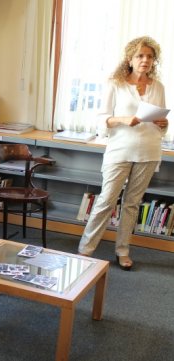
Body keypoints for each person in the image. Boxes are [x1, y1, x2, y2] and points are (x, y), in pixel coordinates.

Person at [78, 36, 169, 270]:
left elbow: (163, 122)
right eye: (140, 56)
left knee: (132, 204)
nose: (145, 60)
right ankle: (86, 249)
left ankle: (123, 251)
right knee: (107, 200)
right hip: (119, 150)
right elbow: (101, 119)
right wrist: (123, 119)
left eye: (149, 56)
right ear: (130, 59)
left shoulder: (158, 87)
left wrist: (163, 124)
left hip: (148, 150)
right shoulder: (115, 84)